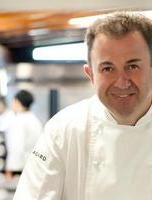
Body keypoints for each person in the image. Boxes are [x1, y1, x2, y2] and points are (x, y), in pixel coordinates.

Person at [13, 11, 152, 200]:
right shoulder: (63, 130)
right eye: (108, 68)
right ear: (91, 75)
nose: (122, 82)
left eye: (133, 66)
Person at [6, 90, 42, 180]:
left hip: (20, 169)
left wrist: (10, 171)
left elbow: (17, 148)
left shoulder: (19, 121)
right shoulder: (35, 120)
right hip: (33, 167)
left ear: (17, 102)